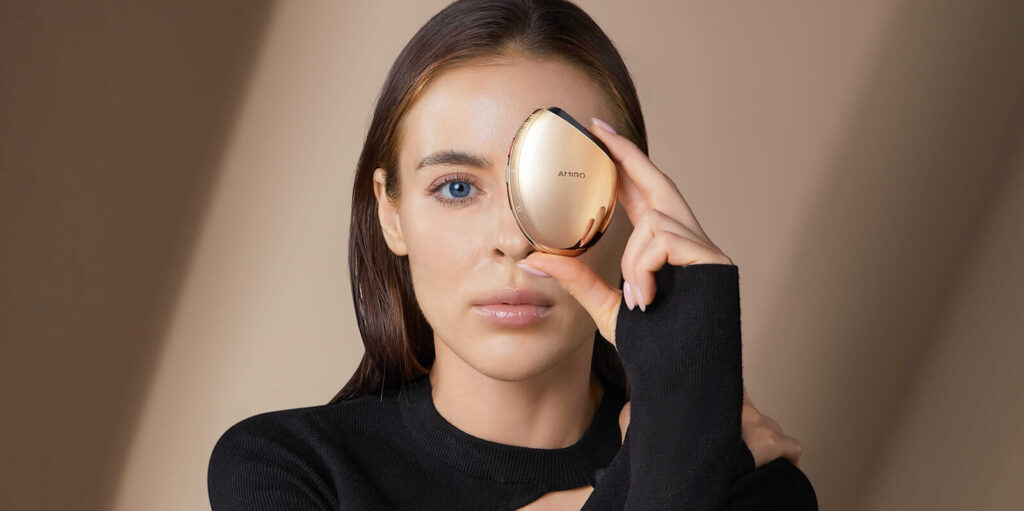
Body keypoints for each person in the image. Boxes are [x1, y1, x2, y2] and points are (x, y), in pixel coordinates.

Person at [208, 0, 817, 509]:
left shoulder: (753, 490)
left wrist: (679, 429)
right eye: (456, 188)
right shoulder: (284, 470)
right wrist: (670, 462)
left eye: (562, 186)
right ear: (391, 213)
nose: (515, 240)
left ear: (630, 205)